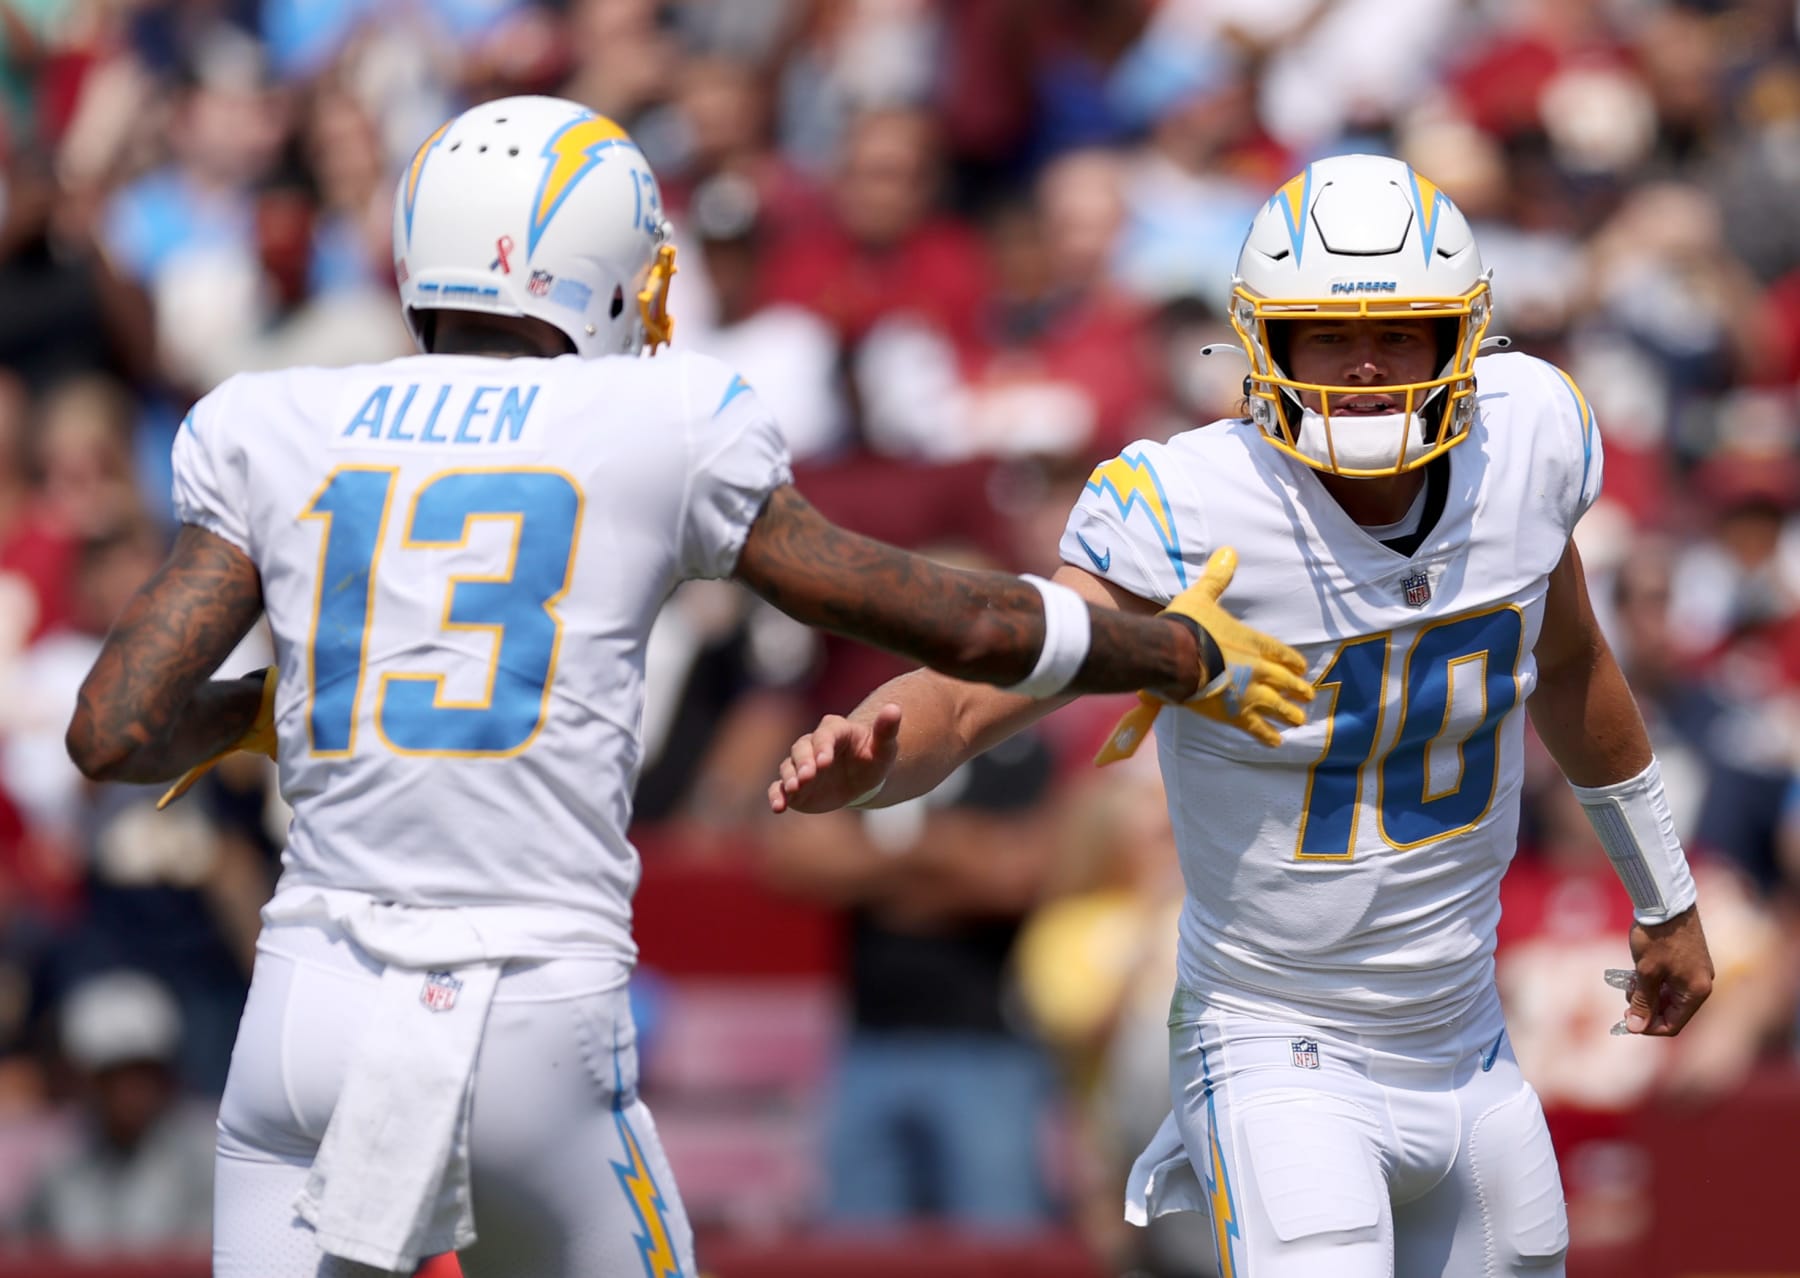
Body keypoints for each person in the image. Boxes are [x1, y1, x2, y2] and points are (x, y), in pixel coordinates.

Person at [59, 95, 1312, 1278]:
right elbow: (963, 624)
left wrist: (268, 712)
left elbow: (115, 731)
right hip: (528, 1011)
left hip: (304, 1016)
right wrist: (1181, 650)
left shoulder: (272, 418)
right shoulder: (661, 416)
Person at [769, 153, 1717, 1278]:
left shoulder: (1529, 440)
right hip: (1278, 1046)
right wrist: (881, 747)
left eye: (1400, 332)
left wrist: (1664, 892)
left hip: (1466, 1044)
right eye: (1326, 336)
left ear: (1460, 339)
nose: (1365, 367)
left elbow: (1569, 664)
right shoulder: (1192, 502)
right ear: (1263, 344)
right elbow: (999, 679)